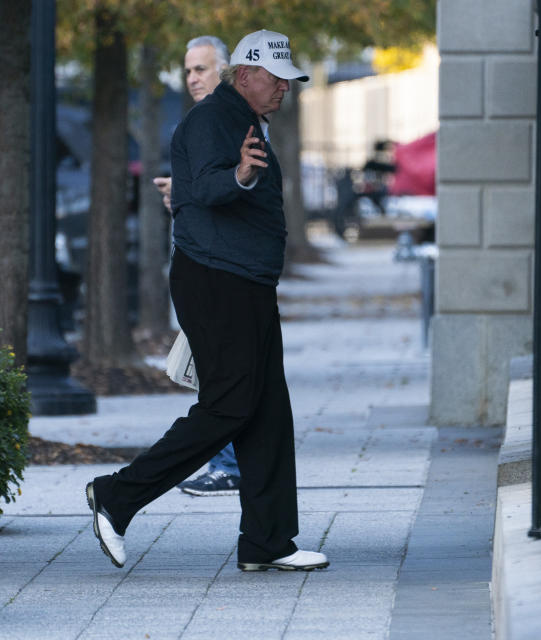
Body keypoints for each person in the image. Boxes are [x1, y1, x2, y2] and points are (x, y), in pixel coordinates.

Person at [86, 30, 327, 572]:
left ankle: (267, 542)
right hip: (219, 282)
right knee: (229, 406)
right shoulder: (212, 120)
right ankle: (116, 496)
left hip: (245, 283)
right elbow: (209, 184)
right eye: (275, 78)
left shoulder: (239, 120)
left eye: (289, 80)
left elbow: (194, 190)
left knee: (267, 414)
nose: (284, 88)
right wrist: (240, 174)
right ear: (245, 75)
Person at [153, 35, 244, 498]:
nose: (192, 78)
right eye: (188, 70)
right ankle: (230, 463)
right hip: (204, 260)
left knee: (218, 368)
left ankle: (226, 465)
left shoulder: (227, 121)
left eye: (201, 69)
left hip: (219, 267)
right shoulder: (203, 122)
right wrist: (180, 197)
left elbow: (236, 192)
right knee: (219, 368)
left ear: (225, 71)